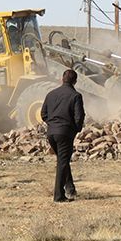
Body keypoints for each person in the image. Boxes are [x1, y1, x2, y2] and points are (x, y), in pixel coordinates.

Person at [41, 69, 85, 202]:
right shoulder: (76, 96)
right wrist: (74, 130)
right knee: (63, 162)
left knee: (63, 160)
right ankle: (58, 196)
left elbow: (43, 114)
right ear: (75, 81)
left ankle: (70, 188)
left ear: (62, 79)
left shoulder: (51, 94)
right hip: (65, 133)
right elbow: (79, 117)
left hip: (51, 133)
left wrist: (52, 124)